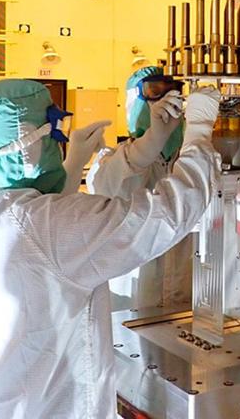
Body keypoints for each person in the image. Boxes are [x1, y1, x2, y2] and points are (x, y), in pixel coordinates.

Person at [0, 79, 221, 418]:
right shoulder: (43, 224)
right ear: (27, 145)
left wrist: (88, 160)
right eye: (52, 136)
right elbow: (169, 213)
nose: (57, 146)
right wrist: (200, 132)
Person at [88, 66, 192, 310]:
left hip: (187, 303)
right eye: (154, 91)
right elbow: (120, 178)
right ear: (134, 102)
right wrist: (153, 138)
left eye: (174, 91)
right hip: (130, 304)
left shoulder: (189, 162)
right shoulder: (109, 162)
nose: (166, 101)